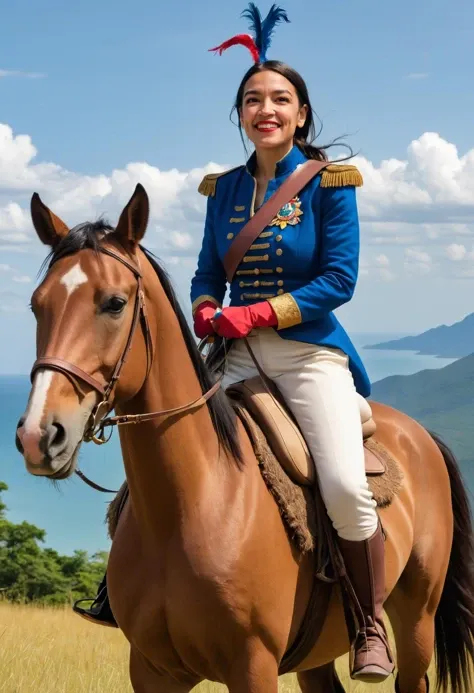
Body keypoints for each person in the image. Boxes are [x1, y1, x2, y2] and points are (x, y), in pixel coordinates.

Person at [75, 4, 394, 683]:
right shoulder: (221, 191)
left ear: (301, 113)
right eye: (253, 100)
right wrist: (202, 305)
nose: (266, 109)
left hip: (308, 354)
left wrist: (255, 315)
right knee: (149, 477)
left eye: (280, 99)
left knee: (341, 481)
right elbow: (205, 271)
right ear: (240, 114)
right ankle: (127, 592)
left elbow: (339, 278)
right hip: (230, 357)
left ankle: (368, 625)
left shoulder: (331, 183)